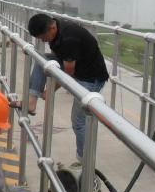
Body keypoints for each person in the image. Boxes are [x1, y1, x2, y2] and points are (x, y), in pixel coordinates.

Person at [24, 13, 109, 164]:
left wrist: (51, 90)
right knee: (41, 60)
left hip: (90, 78)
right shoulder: (57, 30)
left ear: (52, 28)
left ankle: (86, 162)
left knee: (79, 121)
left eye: (43, 37)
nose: (42, 40)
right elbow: (64, 63)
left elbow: (68, 74)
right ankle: (31, 102)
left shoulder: (69, 38)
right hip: (78, 67)